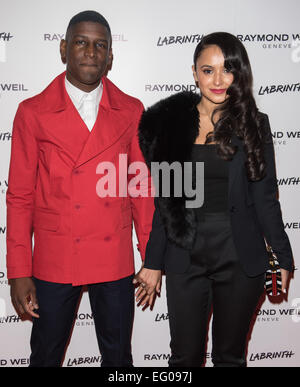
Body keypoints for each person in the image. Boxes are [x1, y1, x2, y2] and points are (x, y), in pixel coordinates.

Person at [134, 32, 294, 367]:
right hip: (185, 255)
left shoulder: (254, 124)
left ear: (239, 73)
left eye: (227, 70)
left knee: (230, 358)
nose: (218, 80)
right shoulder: (170, 124)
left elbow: (266, 198)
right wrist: (152, 261)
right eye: (208, 70)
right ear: (194, 72)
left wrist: (282, 256)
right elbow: (166, 202)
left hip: (239, 255)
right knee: (184, 358)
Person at [6, 10, 154, 367]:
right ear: (63, 49)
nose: (91, 51)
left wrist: (152, 256)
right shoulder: (32, 112)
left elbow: (141, 188)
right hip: (56, 257)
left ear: (110, 57)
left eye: (100, 45)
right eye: (81, 43)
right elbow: (20, 196)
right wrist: (18, 271)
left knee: (119, 359)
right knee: (45, 355)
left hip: (113, 256)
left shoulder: (132, 110)